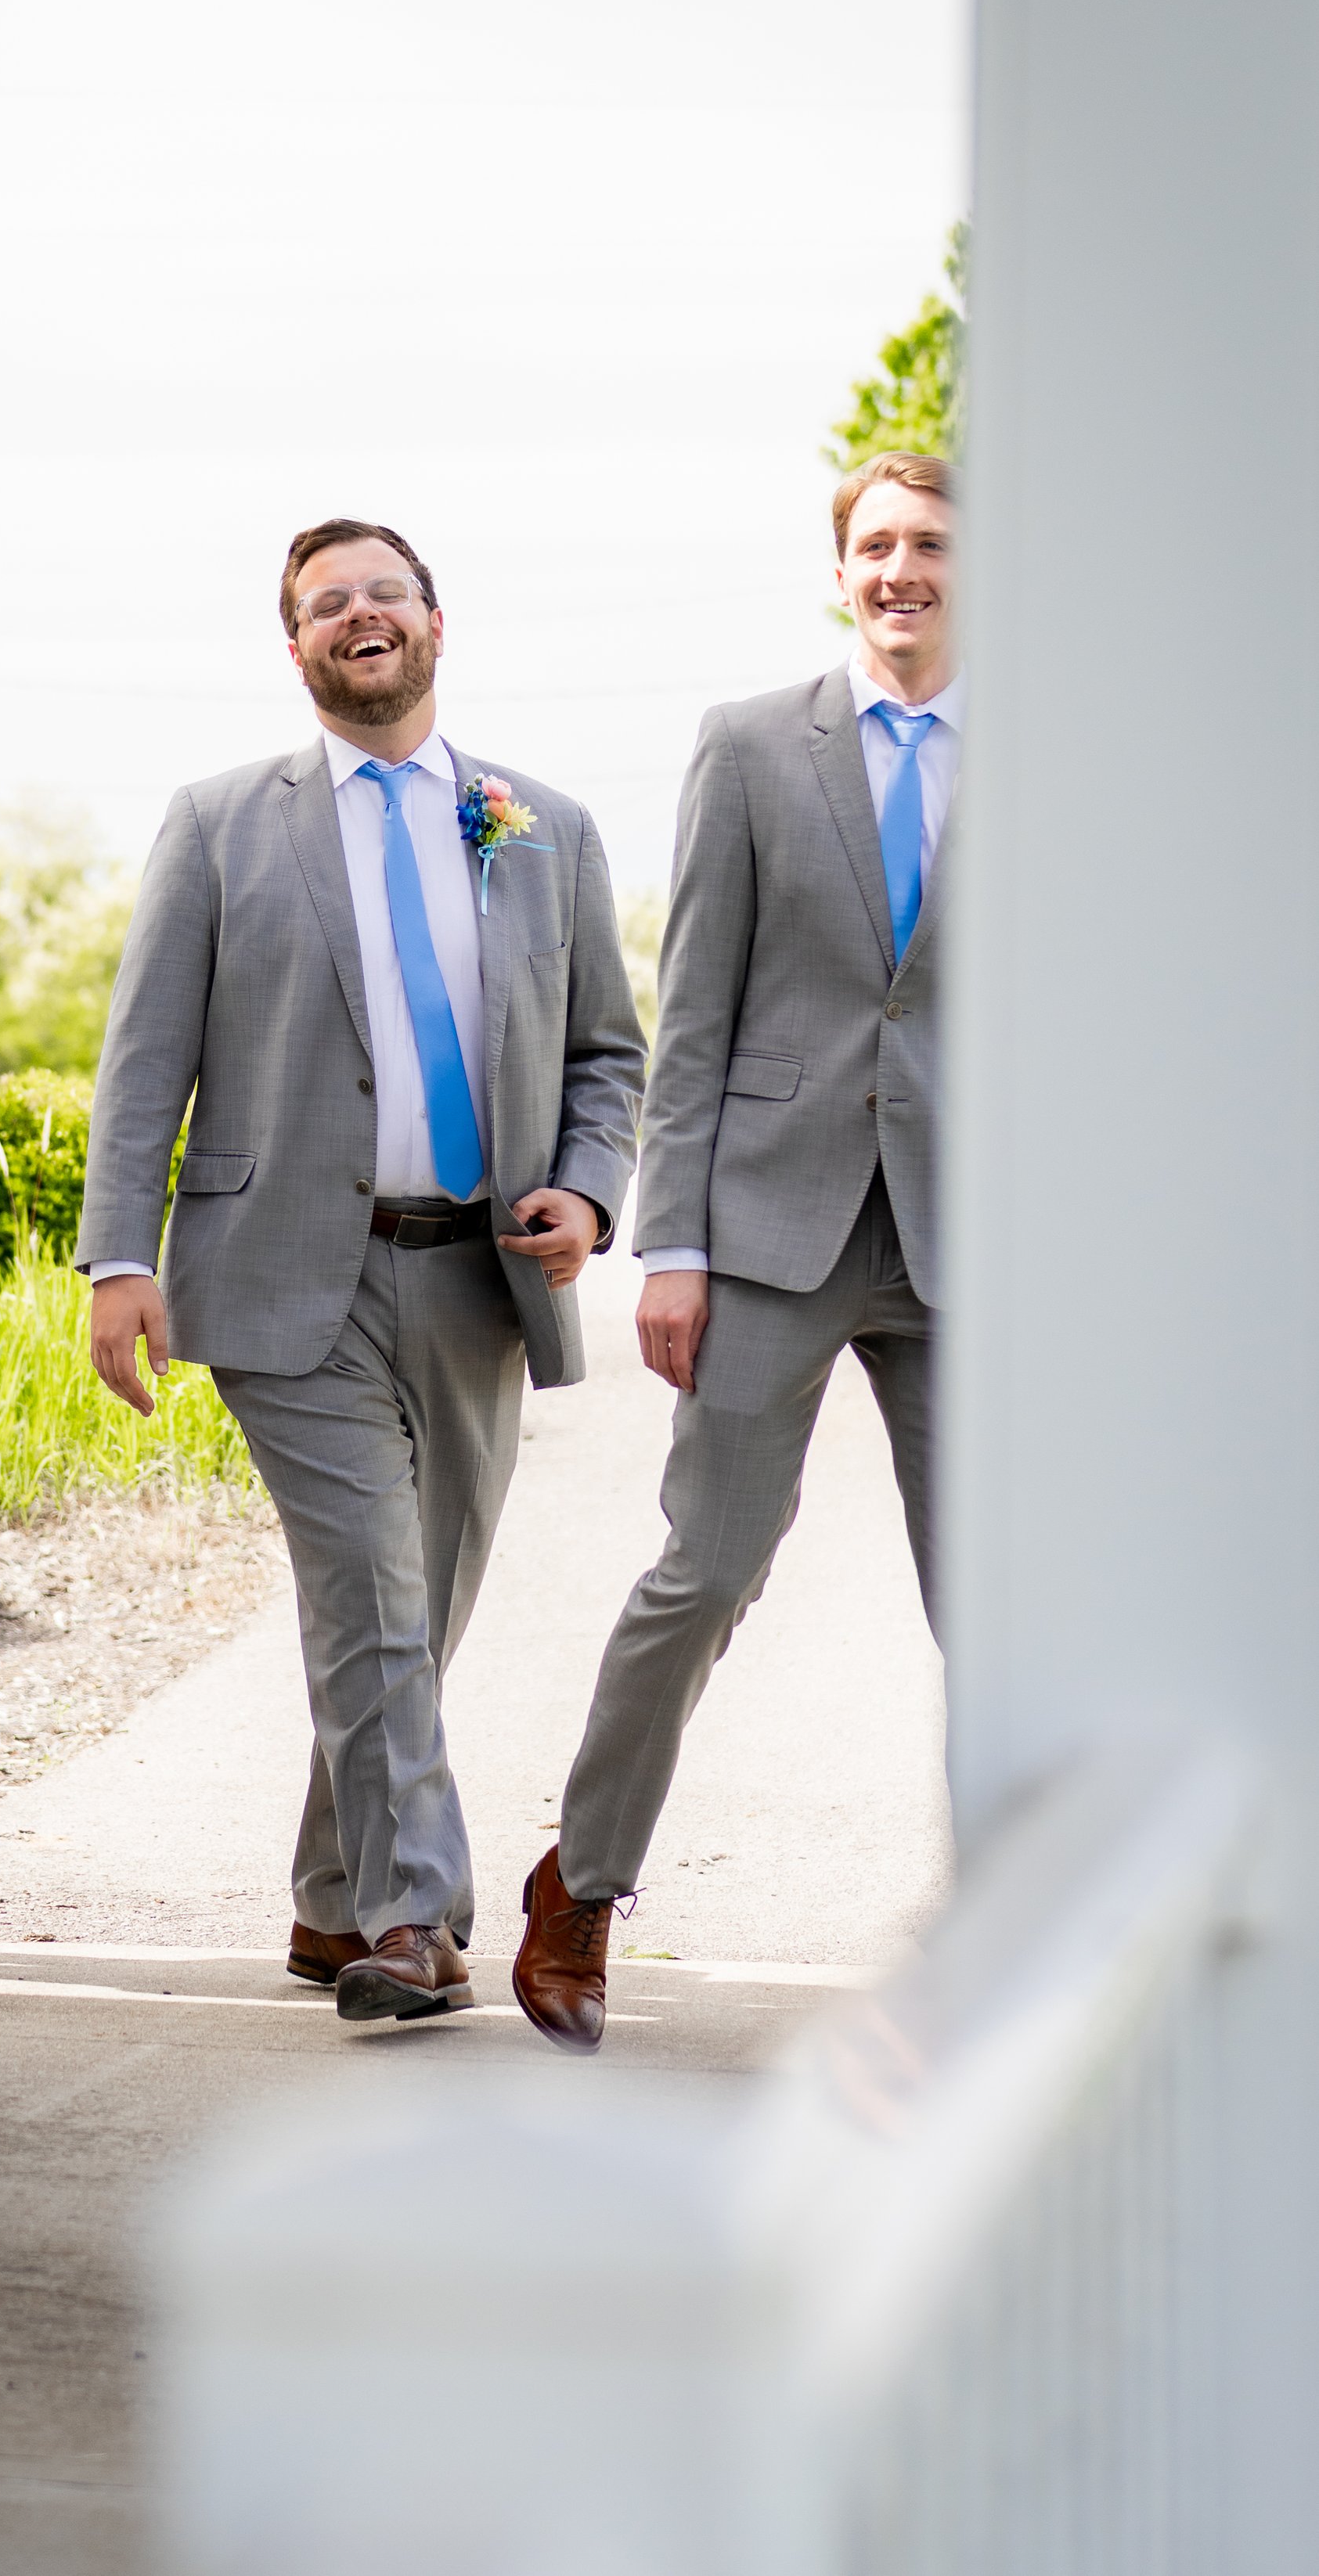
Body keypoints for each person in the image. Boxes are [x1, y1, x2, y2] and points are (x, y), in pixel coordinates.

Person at [77, 518, 645, 2024]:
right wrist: (118, 1255)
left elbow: (608, 1055)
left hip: (479, 1282)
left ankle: (333, 1901)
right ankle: (415, 1917)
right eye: (327, 603)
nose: (359, 614)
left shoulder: (545, 827)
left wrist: (590, 1190)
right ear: (297, 650)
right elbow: (144, 1059)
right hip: (280, 1275)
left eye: (386, 591)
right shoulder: (218, 823)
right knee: (376, 1589)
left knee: (415, 1608)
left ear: (436, 626)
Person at [514, 450, 959, 2051]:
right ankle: (581, 1882)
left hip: (969, 1242)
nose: (900, 569)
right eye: (874, 544)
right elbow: (692, 1007)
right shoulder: (754, 744)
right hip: (771, 1226)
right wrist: (676, 1240)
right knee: (705, 1570)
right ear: (839, 571)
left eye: (930, 543)